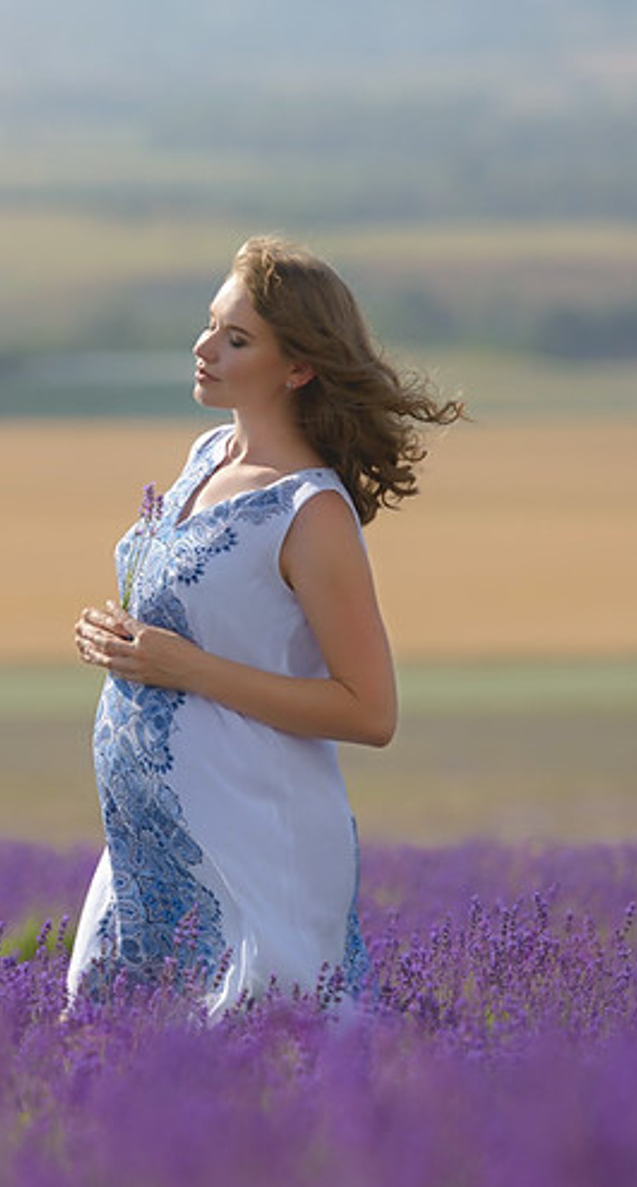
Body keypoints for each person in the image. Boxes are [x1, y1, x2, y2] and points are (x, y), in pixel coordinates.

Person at [68, 234, 464, 1018]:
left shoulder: (310, 512)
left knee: (267, 1068)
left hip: (255, 841)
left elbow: (369, 711)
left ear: (298, 367)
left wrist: (187, 670)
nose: (203, 347)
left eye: (236, 338)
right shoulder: (204, 455)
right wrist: (116, 640)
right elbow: (195, 625)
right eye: (212, 324)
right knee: (110, 1078)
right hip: (150, 848)